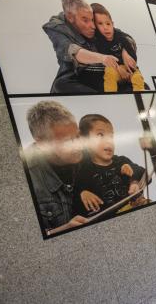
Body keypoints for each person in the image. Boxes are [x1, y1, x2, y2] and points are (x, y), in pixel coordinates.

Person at [24, 101, 101, 236]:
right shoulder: (26, 177)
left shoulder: (89, 155)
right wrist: (61, 231)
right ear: (42, 143)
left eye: (77, 136)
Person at [43, 0, 128, 93]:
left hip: (102, 73)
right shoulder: (56, 27)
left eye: (92, 20)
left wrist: (125, 51)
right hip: (75, 77)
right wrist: (103, 58)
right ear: (70, 17)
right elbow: (72, 50)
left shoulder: (94, 20)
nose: (93, 26)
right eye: (85, 20)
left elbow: (122, 36)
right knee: (61, 85)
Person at [76, 114, 148, 216]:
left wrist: (134, 182)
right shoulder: (82, 168)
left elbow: (142, 172)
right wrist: (82, 193)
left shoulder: (121, 161)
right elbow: (73, 190)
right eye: (100, 135)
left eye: (111, 136)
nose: (108, 140)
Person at [90, 3, 145, 92]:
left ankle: (140, 98)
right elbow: (106, 59)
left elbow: (131, 53)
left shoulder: (120, 36)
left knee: (138, 78)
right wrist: (119, 69)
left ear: (112, 24)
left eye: (108, 24)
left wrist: (129, 70)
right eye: (100, 24)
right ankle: (111, 97)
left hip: (129, 69)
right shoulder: (99, 41)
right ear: (95, 26)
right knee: (109, 73)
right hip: (115, 68)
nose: (105, 27)